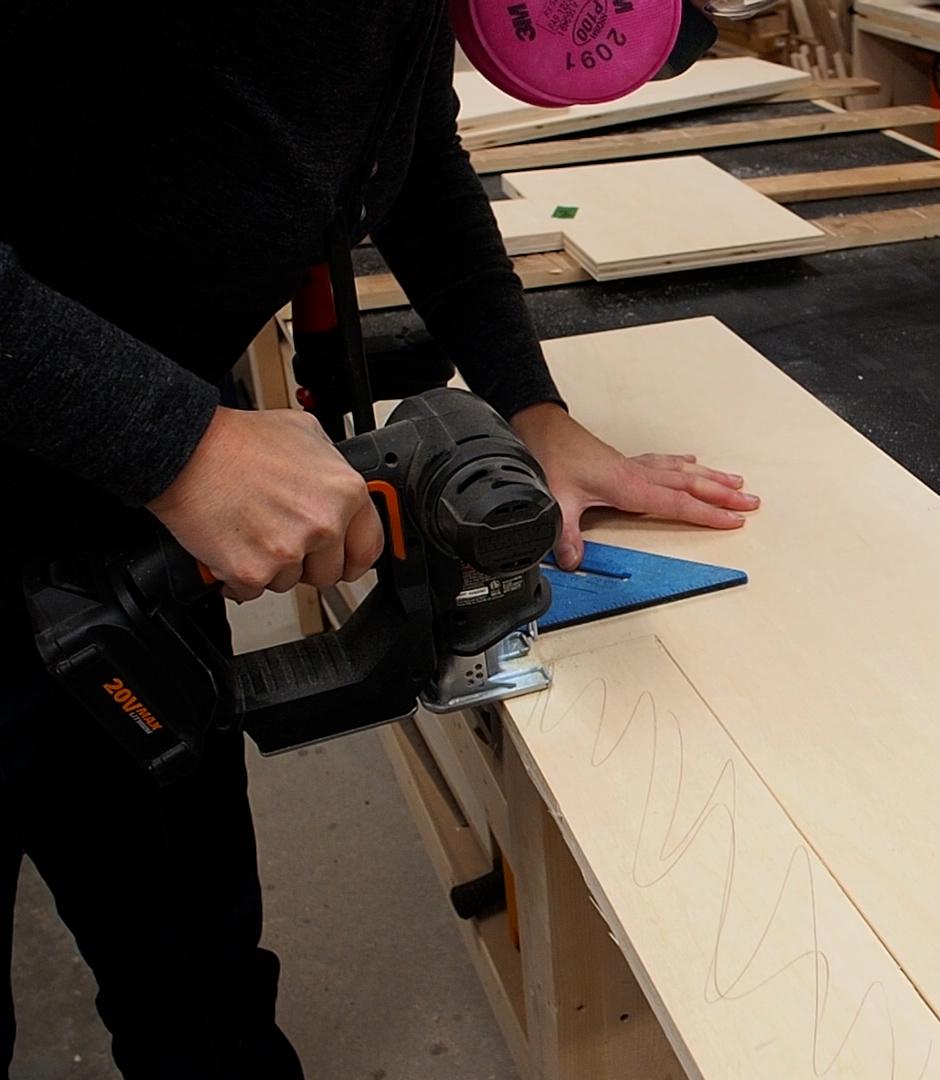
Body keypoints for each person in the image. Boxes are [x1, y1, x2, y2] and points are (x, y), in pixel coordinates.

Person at [0, 4, 758, 1076]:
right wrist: (173, 441)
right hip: (118, 435)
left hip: (131, 502)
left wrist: (529, 404)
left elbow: (410, 152)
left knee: (197, 976)